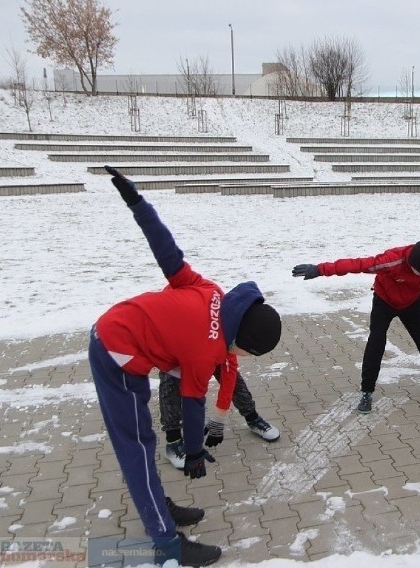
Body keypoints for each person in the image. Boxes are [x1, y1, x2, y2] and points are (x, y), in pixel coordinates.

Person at [89, 166, 282, 567]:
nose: (241, 359)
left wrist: (138, 203)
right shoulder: (205, 350)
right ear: (242, 341)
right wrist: (193, 452)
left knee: (144, 441)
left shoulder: (212, 292)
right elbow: (193, 402)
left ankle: (157, 504)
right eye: (248, 354)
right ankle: (165, 545)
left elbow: (167, 251)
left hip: (122, 327)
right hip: (116, 350)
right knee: (137, 447)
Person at [292, 238, 420, 413]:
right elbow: (357, 264)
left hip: (411, 304)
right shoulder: (391, 260)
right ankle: (367, 392)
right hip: (384, 302)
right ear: (410, 263)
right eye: (419, 272)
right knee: (376, 342)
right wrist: (320, 269)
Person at [159, 368, 281, 469]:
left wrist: (219, 417)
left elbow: (229, 378)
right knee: (170, 386)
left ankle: (253, 418)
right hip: (175, 353)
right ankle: (173, 442)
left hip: (209, 347)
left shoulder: (224, 345)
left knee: (232, 377)